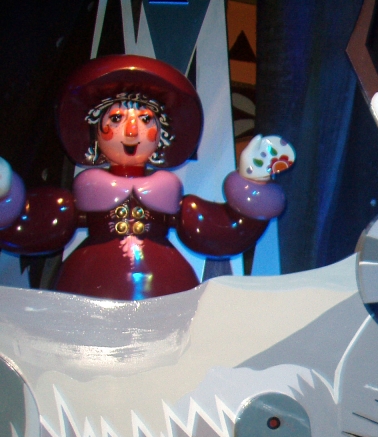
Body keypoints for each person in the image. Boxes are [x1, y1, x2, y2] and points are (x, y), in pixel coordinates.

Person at [0, 54, 293, 300]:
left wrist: (253, 187)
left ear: (162, 134)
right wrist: (5, 196)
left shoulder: (177, 203)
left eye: (145, 119)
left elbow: (223, 232)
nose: (131, 131)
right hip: (88, 286)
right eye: (116, 119)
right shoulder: (73, 203)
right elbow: (30, 225)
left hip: (165, 289)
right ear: (94, 132)